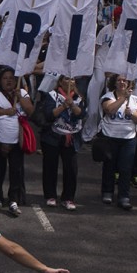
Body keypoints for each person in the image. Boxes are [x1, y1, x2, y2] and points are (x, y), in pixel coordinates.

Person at [0, 66, 33, 217]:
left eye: (11, 78)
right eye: (5, 78)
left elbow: (30, 110)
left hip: (17, 140)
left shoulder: (23, 93)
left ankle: (14, 199)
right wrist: (5, 112)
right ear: (0, 81)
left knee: (16, 171)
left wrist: (21, 99)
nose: (9, 81)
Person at [98, 74, 137, 211]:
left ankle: (124, 196)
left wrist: (132, 114)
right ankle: (107, 191)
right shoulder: (108, 97)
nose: (122, 82)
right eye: (119, 80)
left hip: (129, 139)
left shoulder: (136, 100)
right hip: (110, 137)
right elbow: (109, 109)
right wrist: (123, 98)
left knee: (126, 168)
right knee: (110, 166)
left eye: (125, 80)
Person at [39, 74, 86, 209]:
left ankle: (68, 198)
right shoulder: (52, 95)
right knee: (50, 166)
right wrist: (63, 106)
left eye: (72, 79)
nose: (69, 81)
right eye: (66, 79)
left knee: (71, 168)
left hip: (71, 138)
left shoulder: (79, 97)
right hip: (53, 136)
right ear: (60, 82)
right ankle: (50, 195)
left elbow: (81, 114)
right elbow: (49, 114)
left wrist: (72, 105)